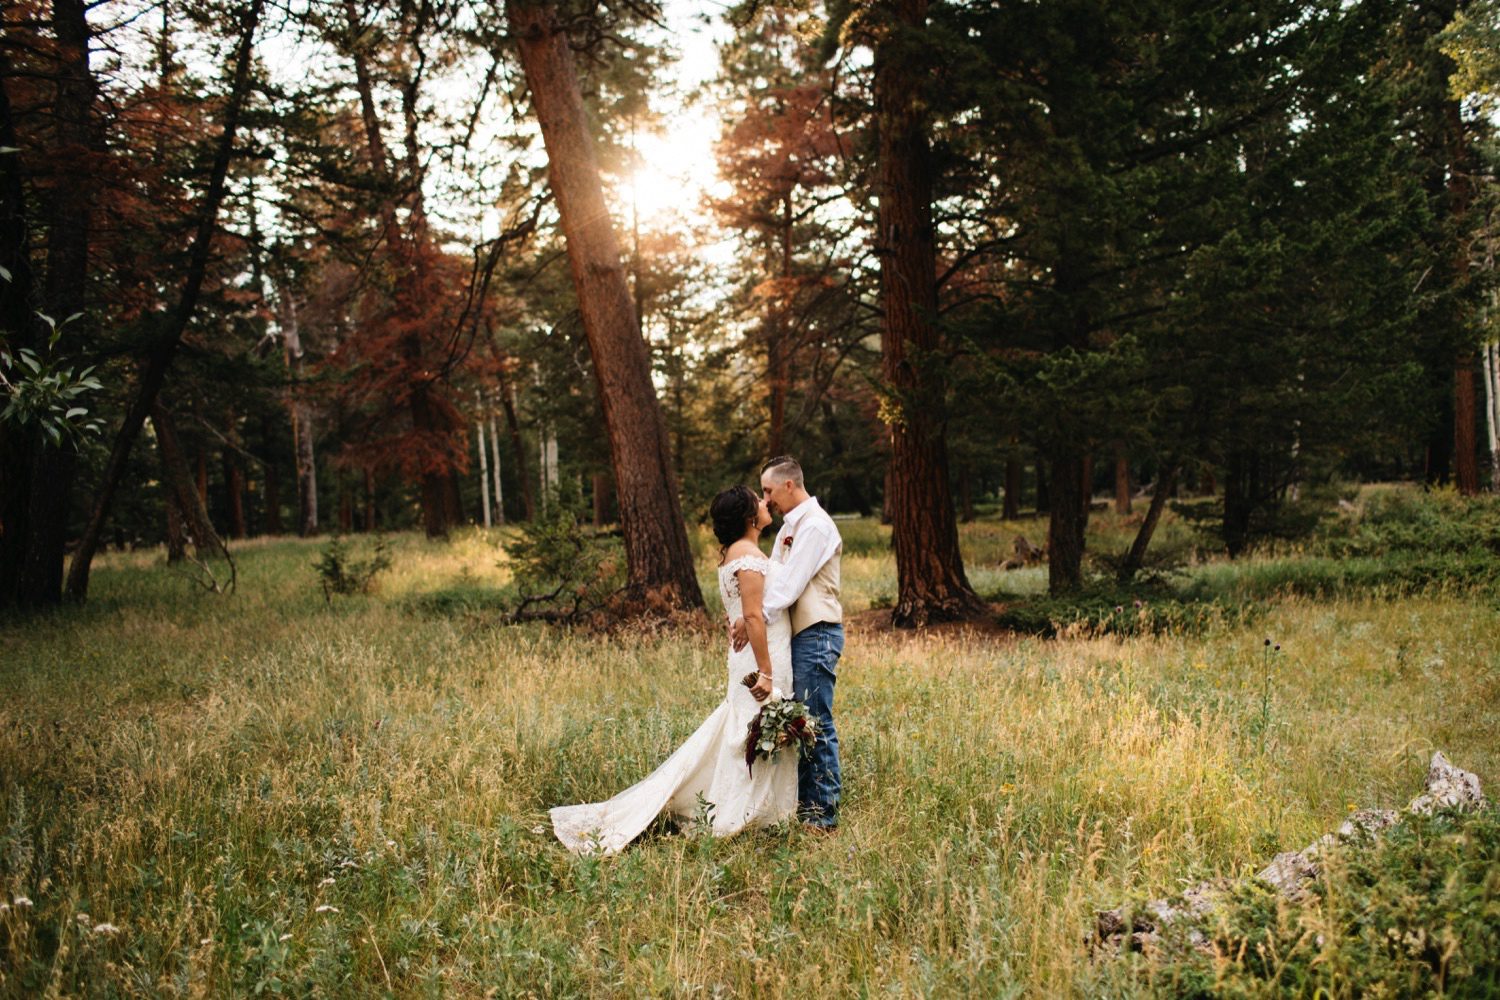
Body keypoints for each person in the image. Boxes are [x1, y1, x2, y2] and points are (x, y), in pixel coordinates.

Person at [549, 485, 796, 855]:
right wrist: (766, 672)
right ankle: (743, 810)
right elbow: (751, 616)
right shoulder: (746, 556)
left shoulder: (735, 552)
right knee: (753, 727)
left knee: (745, 727)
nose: (765, 503)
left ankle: (756, 806)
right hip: (761, 656)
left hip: (750, 652)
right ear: (748, 516)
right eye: (758, 500)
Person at [733, 456, 844, 831]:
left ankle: (822, 815)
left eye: (768, 491)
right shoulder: (786, 530)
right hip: (798, 634)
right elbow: (770, 581)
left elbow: (786, 587)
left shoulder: (815, 526)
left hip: (818, 632)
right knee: (802, 719)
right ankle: (804, 804)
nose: (765, 501)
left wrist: (751, 620)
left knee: (816, 720)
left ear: (790, 486)